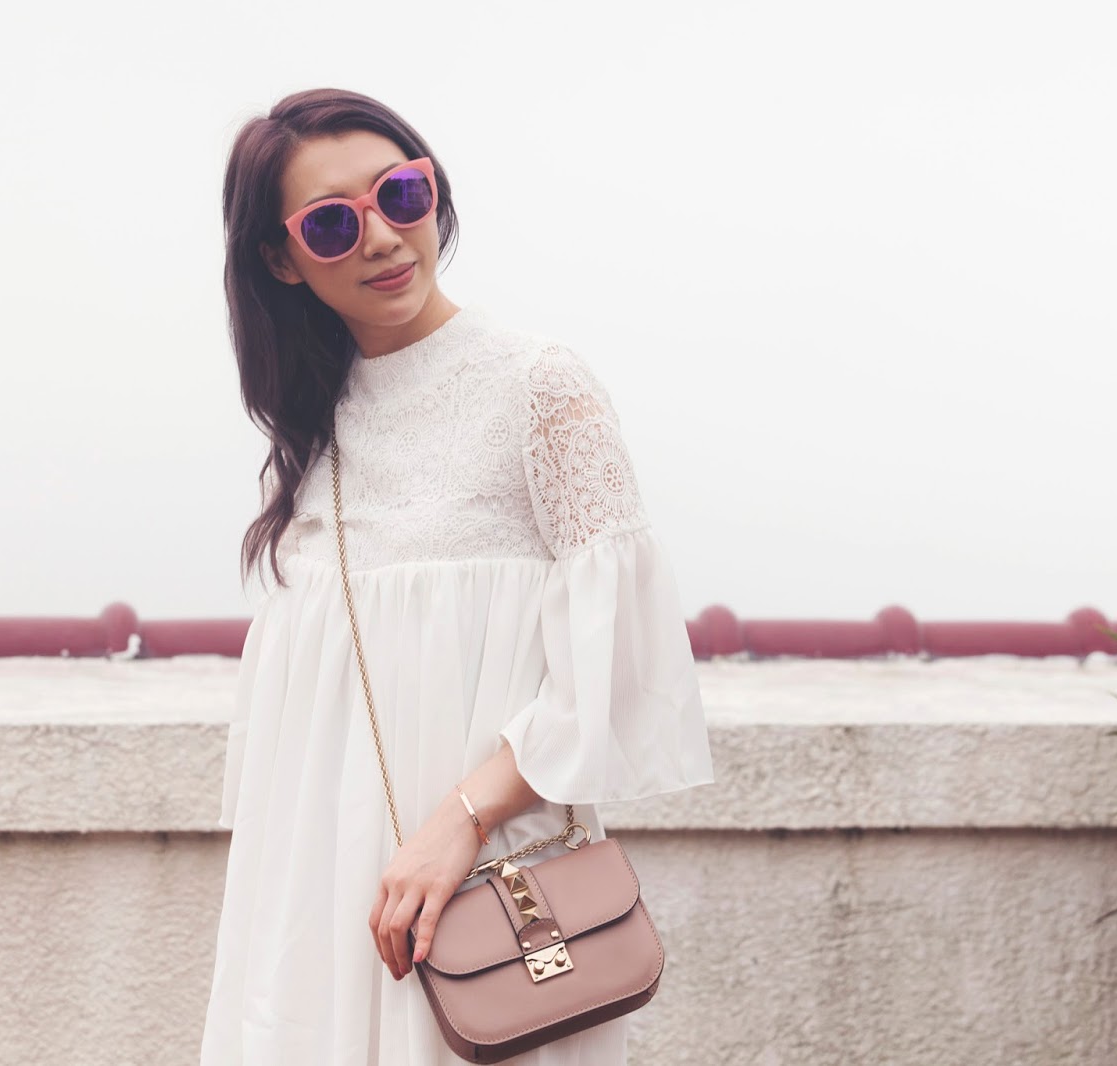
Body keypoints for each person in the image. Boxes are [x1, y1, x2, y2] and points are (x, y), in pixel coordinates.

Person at [199, 87, 715, 1065]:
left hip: (483, 891)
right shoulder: (313, 429)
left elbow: (613, 668)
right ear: (281, 259)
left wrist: (459, 822)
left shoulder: (538, 387)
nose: (383, 237)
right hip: (318, 906)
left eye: (401, 194)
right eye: (331, 223)